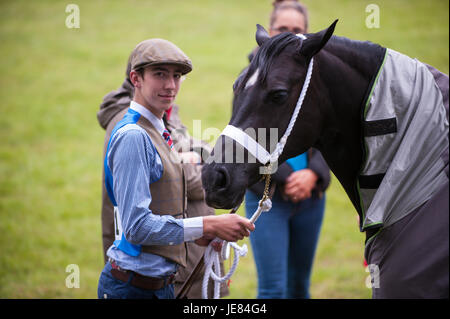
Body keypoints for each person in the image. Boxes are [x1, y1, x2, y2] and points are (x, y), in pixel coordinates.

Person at [97, 38, 255, 299]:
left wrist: (195, 235)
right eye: (160, 75)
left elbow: (163, 205)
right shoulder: (134, 136)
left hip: (161, 285)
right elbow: (136, 227)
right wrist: (207, 225)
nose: (170, 85)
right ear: (136, 79)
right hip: (134, 289)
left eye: (177, 75)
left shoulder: (160, 129)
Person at [243, 0, 331, 299]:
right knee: (272, 290)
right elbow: (247, 141)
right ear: (269, 31)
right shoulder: (252, 80)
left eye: (297, 30)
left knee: (299, 288)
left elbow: (329, 135)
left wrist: (312, 174)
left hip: (311, 197)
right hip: (268, 200)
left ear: (307, 34)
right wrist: (288, 178)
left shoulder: (315, 82)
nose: (290, 36)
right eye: (282, 29)